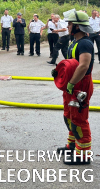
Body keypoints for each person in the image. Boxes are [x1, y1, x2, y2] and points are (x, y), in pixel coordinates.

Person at [56, 10, 94, 165]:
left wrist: (72, 83)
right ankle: (72, 145)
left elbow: (84, 65)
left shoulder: (85, 42)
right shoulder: (75, 42)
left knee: (79, 119)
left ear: (78, 26)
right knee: (69, 115)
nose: (68, 26)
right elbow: (71, 63)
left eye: (70, 24)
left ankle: (83, 154)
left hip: (80, 84)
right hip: (72, 83)